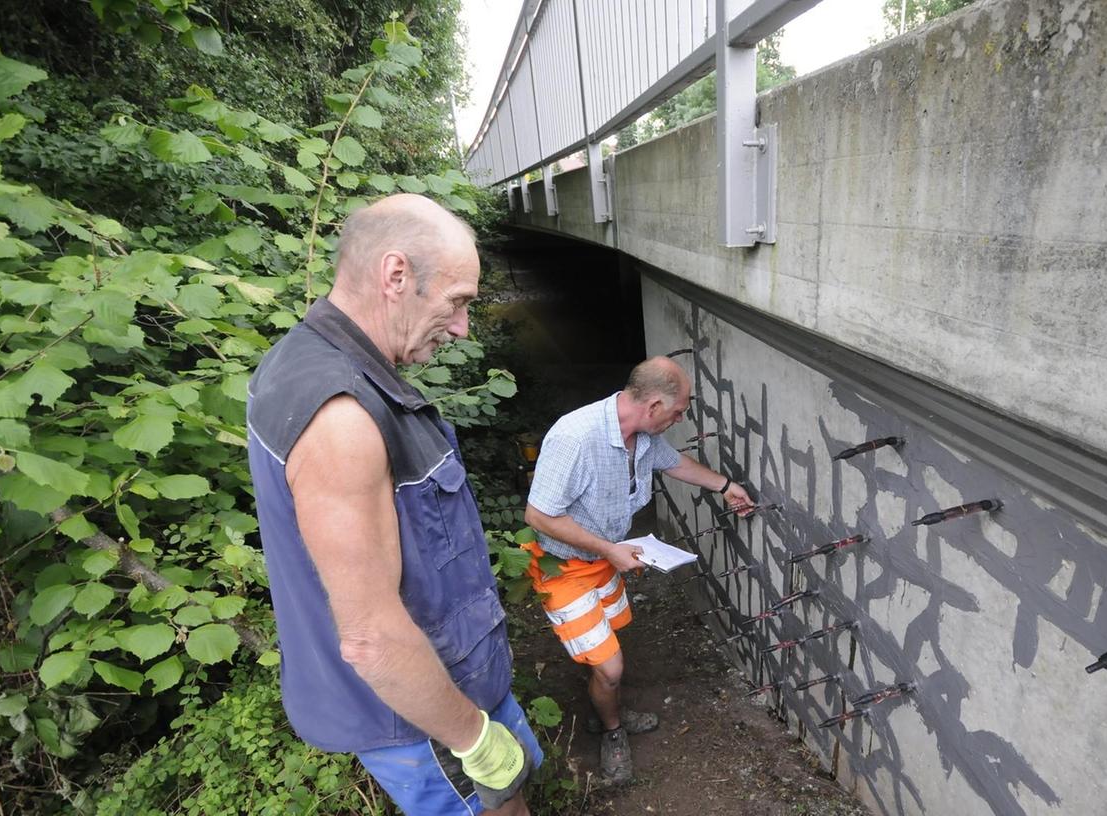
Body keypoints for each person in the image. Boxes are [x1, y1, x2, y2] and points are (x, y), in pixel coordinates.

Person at [247, 194, 540, 815]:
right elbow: (371, 639)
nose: (462, 326)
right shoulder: (341, 417)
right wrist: (474, 741)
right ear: (396, 275)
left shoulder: (318, 363)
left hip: (449, 691)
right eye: (457, 301)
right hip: (426, 721)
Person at [522, 357, 753, 783]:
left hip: (603, 560)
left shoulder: (642, 437)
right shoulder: (576, 437)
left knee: (605, 648)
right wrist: (610, 549)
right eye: (679, 411)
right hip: (565, 567)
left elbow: (675, 464)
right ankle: (612, 729)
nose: (680, 418)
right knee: (610, 666)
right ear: (653, 406)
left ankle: (603, 702)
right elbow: (539, 515)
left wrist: (724, 485)